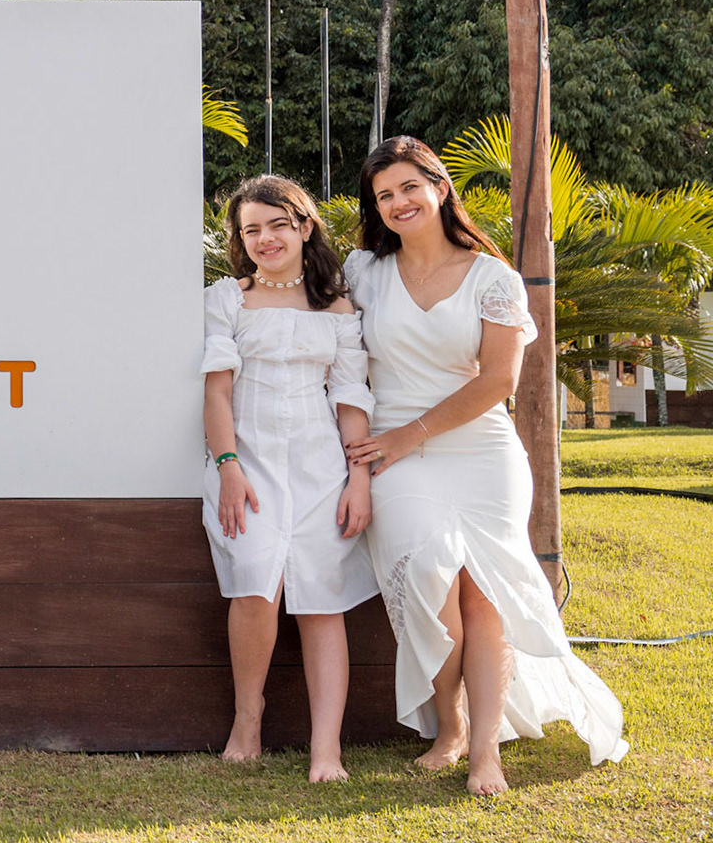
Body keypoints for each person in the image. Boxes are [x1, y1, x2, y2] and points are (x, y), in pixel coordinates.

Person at [343, 136, 628, 794]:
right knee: (429, 583)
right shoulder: (364, 274)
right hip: (394, 457)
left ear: (440, 188)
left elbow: (498, 381)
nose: (397, 202)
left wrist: (412, 434)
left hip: (478, 451)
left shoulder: (492, 278)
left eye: (409, 186)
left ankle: (485, 753)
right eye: (384, 195)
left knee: (487, 594)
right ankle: (452, 726)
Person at [203, 175, 377, 781]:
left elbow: (351, 399)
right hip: (245, 465)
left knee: (322, 600)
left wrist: (359, 480)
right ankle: (247, 720)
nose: (265, 238)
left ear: (305, 226)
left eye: (278, 224)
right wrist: (227, 467)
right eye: (251, 229)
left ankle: (325, 748)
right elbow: (217, 392)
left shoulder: (338, 306)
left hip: (320, 466)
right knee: (255, 582)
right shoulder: (227, 299)